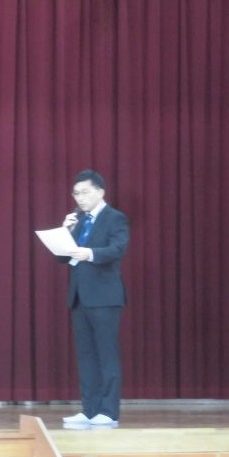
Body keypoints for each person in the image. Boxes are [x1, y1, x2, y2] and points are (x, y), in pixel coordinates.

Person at [58, 169, 129, 427]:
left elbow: (117, 249)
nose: (80, 198)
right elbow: (62, 256)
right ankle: (89, 409)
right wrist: (64, 232)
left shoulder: (115, 218)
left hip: (104, 297)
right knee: (86, 356)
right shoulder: (77, 220)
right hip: (79, 296)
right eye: (76, 193)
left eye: (85, 192)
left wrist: (88, 253)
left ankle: (108, 411)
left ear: (100, 192)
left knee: (106, 355)